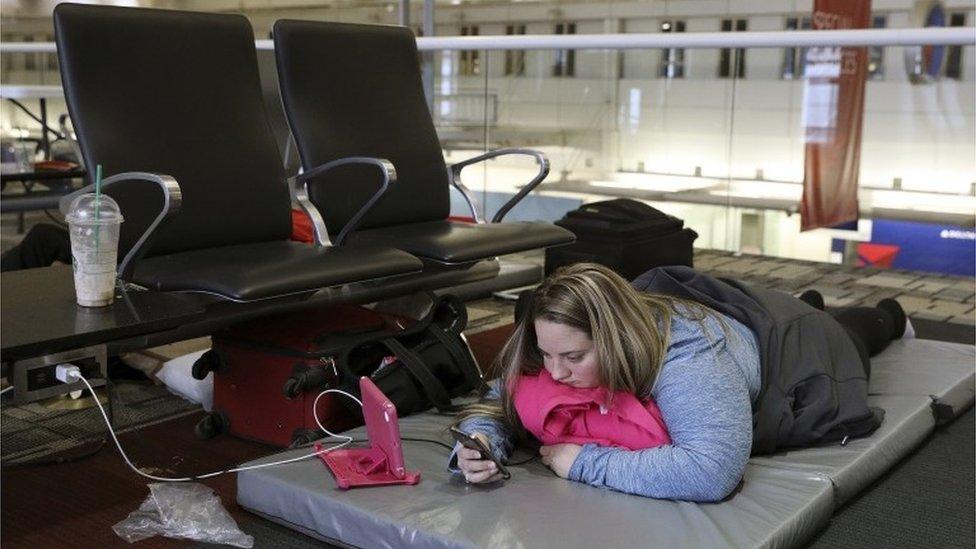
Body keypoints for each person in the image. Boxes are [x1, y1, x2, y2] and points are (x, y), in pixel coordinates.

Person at [451, 263, 907, 502]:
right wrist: (480, 440)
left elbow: (710, 472)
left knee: (849, 333)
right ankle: (801, 300)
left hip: (792, 349)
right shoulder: (563, 334)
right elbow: (500, 395)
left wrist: (584, 462)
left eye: (572, 358)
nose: (554, 372)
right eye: (547, 355)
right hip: (726, 309)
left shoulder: (688, 360)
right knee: (787, 304)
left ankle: (889, 314)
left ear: (615, 339)